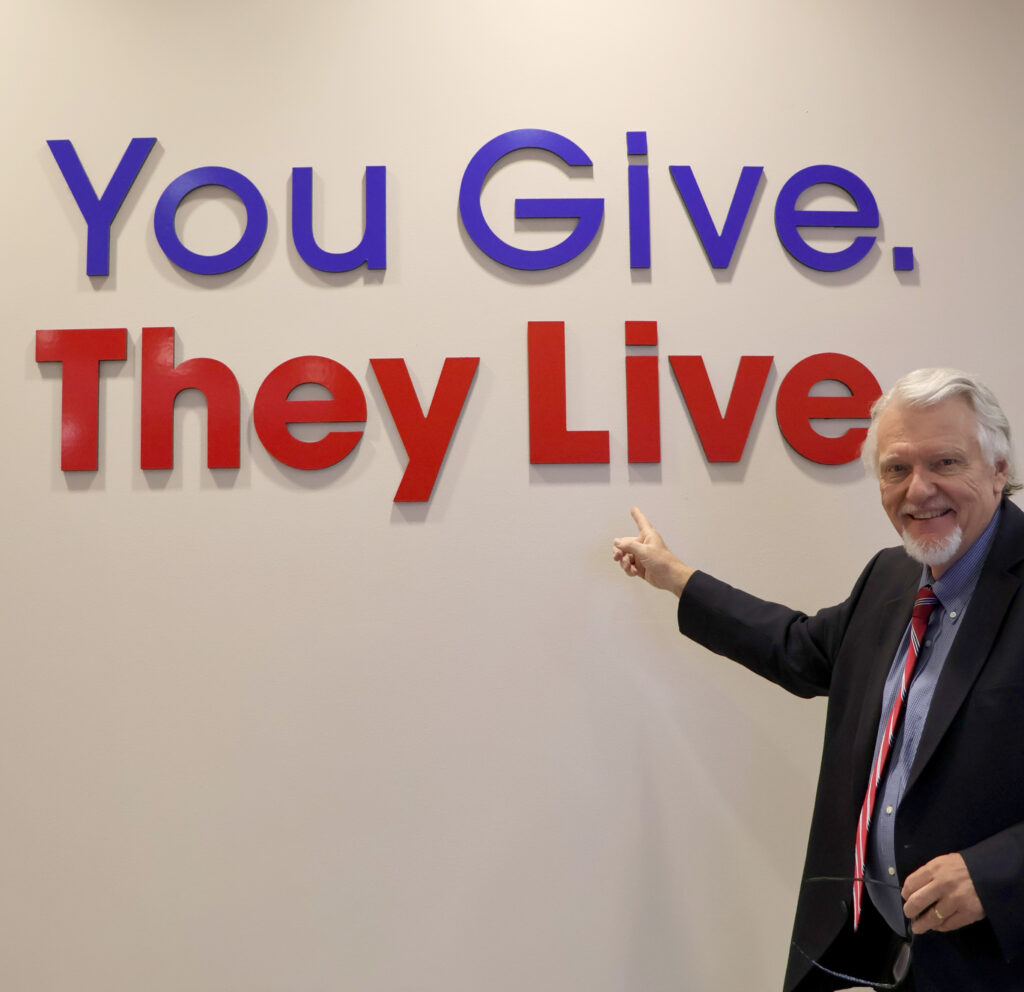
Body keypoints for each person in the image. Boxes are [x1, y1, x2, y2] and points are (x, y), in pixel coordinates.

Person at [612, 368, 1024, 992]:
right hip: (876, 955)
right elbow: (801, 649)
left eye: (945, 461)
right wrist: (677, 577)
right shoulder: (891, 577)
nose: (919, 490)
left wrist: (999, 872)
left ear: (998, 468)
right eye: (894, 470)